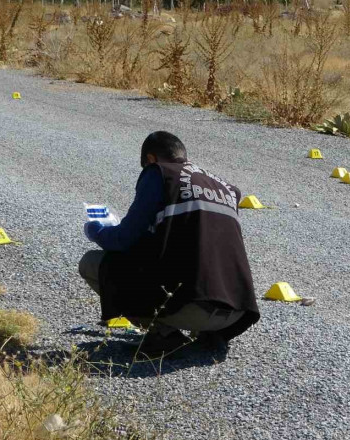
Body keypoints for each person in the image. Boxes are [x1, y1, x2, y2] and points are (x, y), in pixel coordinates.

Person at [79, 131, 259, 357]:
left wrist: (95, 230)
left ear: (151, 159)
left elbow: (123, 240)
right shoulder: (226, 188)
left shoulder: (160, 173)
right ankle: (209, 336)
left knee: (91, 263)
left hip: (194, 308)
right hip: (236, 312)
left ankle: (163, 334)